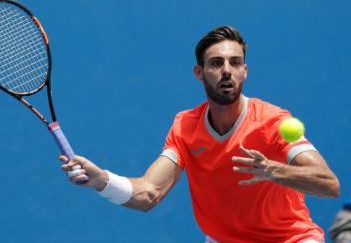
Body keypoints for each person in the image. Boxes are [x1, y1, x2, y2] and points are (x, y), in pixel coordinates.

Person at [60, 26, 340, 243]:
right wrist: (101, 180)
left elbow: (329, 184)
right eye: (217, 63)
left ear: (245, 71)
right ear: (199, 72)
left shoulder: (275, 122)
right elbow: (148, 194)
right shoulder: (185, 128)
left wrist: (272, 171)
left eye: (235, 62)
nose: (227, 71)